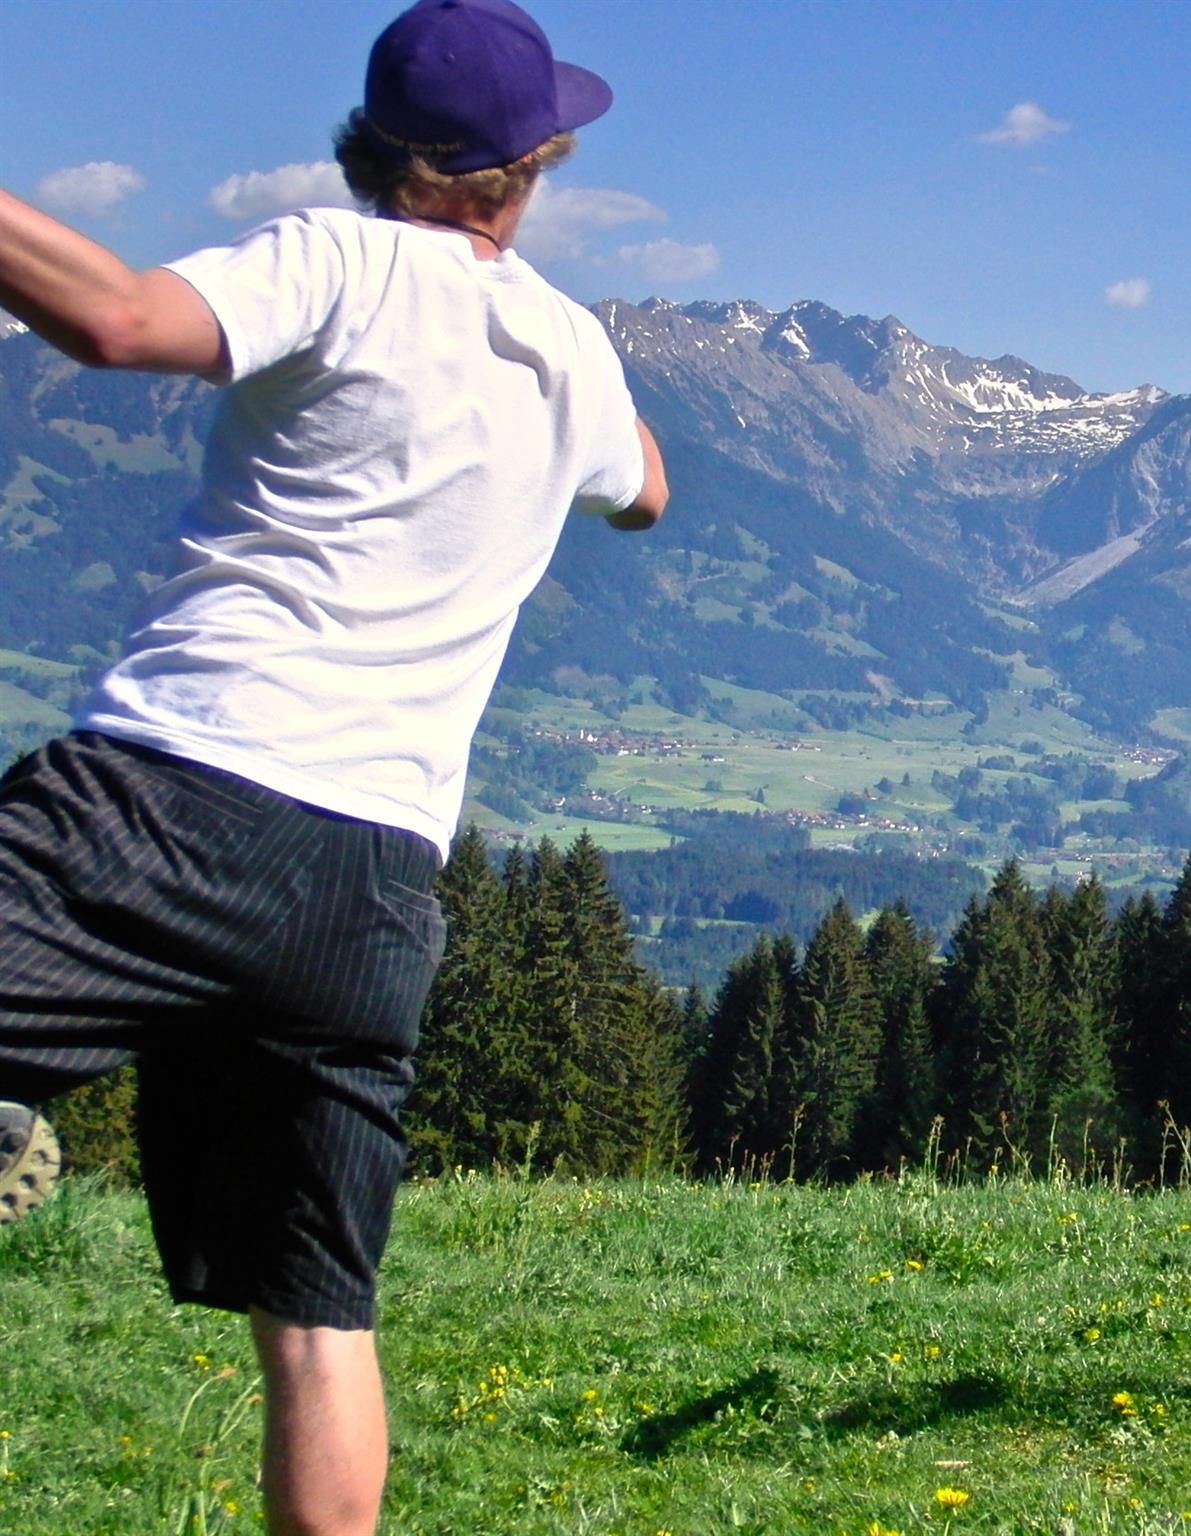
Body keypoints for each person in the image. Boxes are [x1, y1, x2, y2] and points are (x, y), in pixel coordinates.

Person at [0, 1, 665, 1530]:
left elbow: (110, 320)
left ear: (377, 146)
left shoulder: (333, 259)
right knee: (318, 1326)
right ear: (528, 166)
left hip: (173, 798)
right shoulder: (574, 349)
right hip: (370, 891)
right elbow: (650, 492)